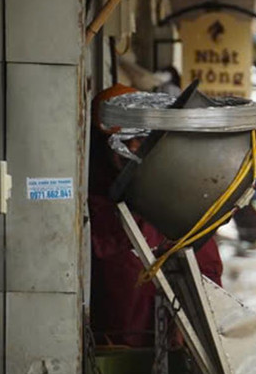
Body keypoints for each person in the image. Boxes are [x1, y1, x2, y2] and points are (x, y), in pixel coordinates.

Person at [88, 83, 224, 348]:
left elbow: (208, 274)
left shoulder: (174, 198)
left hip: (168, 342)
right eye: (127, 140)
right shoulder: (95, 202)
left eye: (142, 137)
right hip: (112, 344)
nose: (135, 146)